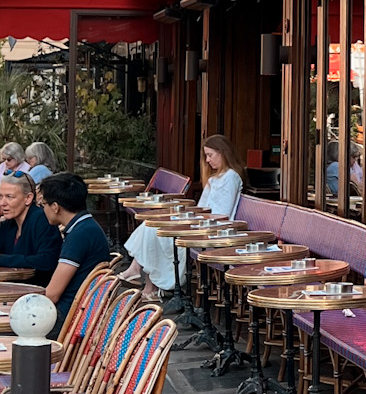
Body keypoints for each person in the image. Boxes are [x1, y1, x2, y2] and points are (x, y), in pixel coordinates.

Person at [119, 135, 243, 296]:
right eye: (206, 155)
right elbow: (202, 208)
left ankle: (146, 281)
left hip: (213, 231)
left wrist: (192, 221)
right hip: (202, 224)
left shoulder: (231, 177)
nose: (207, 160)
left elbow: (223, 214)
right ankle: (145, 280)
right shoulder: (215, 178)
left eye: (210, 155)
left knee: (154, 230)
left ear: (223, 153)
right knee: (150, 225)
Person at [37, 174, 111, 337]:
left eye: (44, 205)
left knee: (6, 328)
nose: (44, 210)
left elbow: (52, 294)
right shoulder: (87, 226)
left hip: (68, 318)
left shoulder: (80, 235)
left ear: (55, 207)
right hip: (81, 312)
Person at [0, 171, 61, 283]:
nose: (2, 203)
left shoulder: (41, 219)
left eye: (9, 197)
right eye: (0, 196)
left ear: (28, 198)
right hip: (11, 289)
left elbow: (47, 260)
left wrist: (1, 259)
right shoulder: (10, 222)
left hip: (35, 293)